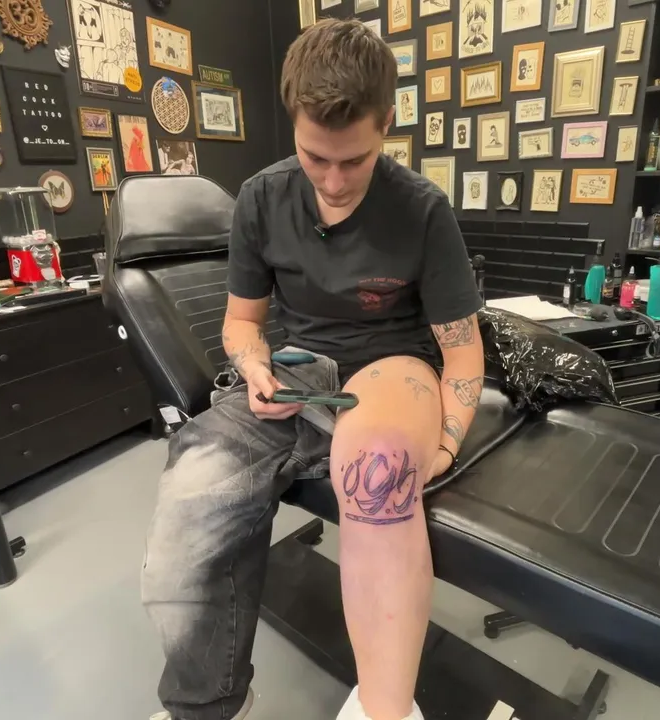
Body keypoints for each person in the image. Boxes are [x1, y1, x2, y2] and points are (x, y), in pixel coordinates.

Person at [142, 17, 485, 720]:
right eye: (314, 157)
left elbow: (462, 351)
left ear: (386, 125)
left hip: (391, 370)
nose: (332, 181)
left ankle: (386, 712)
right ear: (292, 122)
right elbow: (242, 324)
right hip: (298, 375)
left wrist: (446, 443)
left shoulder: (422, 210)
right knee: (189, 490)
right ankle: (206, 706)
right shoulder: (261, 198)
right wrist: (254, 367)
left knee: (378, 471)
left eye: (353, 161)